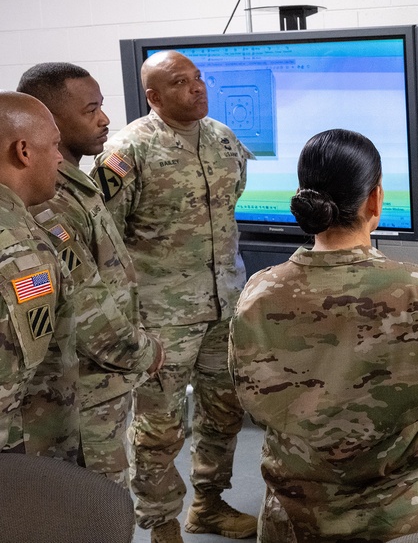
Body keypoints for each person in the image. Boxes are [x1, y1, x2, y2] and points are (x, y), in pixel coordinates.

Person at [231, 128, 418, 542]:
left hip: (295, 522)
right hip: (408, 522)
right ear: (375, 199)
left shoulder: (257, 294)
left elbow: (254, 406)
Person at [93, 51, 256, 543]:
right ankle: (161, 523)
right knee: (159, 428)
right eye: (181, 82)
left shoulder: (224, 138)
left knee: (223, 411)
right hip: (161, 318)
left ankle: (208, 504)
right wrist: (127, 321)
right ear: (154, 96)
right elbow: (106, 242)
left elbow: (230, 212)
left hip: (224, 306)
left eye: (199, 79)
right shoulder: (128, 151)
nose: (197, 88)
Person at [18, 62, 164, 486]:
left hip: (100, 385)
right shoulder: (46, 199)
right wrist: (142, 352)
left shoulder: (75, 183)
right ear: (48, 118)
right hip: (81, 394)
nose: (104, 120)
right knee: (97, 506)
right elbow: (85, 305)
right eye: (90, 110)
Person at [0, 92, 78, 460]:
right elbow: (8, 386)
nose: (60, 157)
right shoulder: (21, 250)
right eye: (54, 145)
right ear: (24, 152)